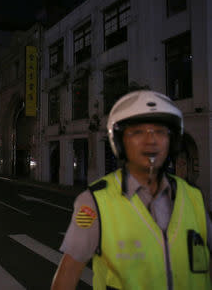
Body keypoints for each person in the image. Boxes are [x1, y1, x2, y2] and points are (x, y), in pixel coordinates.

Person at [51, 90, 211, 290]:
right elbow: (67, 274)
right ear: (120, 143)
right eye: (137, 132)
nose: (151, 140)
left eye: (160, 132)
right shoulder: (94, 201)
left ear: (172, 141)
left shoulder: (193, 197)